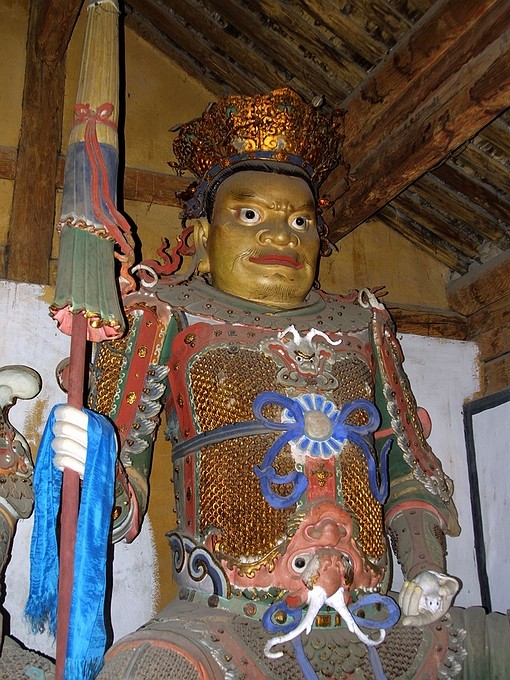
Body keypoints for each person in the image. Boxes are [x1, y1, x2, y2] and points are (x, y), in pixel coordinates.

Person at [52, 88, 481, 679]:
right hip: (224, 620)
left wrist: (427, 570)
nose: (283, 236)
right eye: (251, 216)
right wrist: (92, 465)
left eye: (301, 221)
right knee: (141, 669)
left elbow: (409, 467)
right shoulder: (165, 315)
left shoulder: (362, 325)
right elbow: (120, 483)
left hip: (372, 614)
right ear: (202, 237)